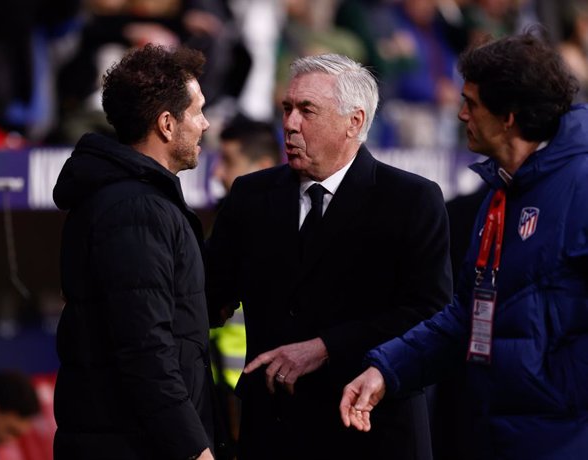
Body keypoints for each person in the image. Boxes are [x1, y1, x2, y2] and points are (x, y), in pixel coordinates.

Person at [340, 30, 588, 460]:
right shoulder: (501, 193)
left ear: (508, 116)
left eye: (471, 103)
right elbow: (469, 313)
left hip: (565, 437)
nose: (459, 114)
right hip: (499, 434)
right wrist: (387, 368)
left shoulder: (580, 185)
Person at [206, 53, 452, 459]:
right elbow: (209, 294)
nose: (289, 124)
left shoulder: (410, 200)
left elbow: (428, 315)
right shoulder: (251, 196)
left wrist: (325, 347)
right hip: (274, 435)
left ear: (354, 122)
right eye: (286, 108)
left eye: (307, 110)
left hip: (370, 434)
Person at [52, 44, 218, 460]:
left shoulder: (136, 202)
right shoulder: (136, 211)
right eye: (197, 111)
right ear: (166, 123)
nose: (206, 123)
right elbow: (146, 350)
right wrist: (195, 449)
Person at [207, 117, 281, 447]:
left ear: (264, 166)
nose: (218, 174)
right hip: (221, 391)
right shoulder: (225, 225)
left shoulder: (280, 231)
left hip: (255, 391)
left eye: (229, 161)